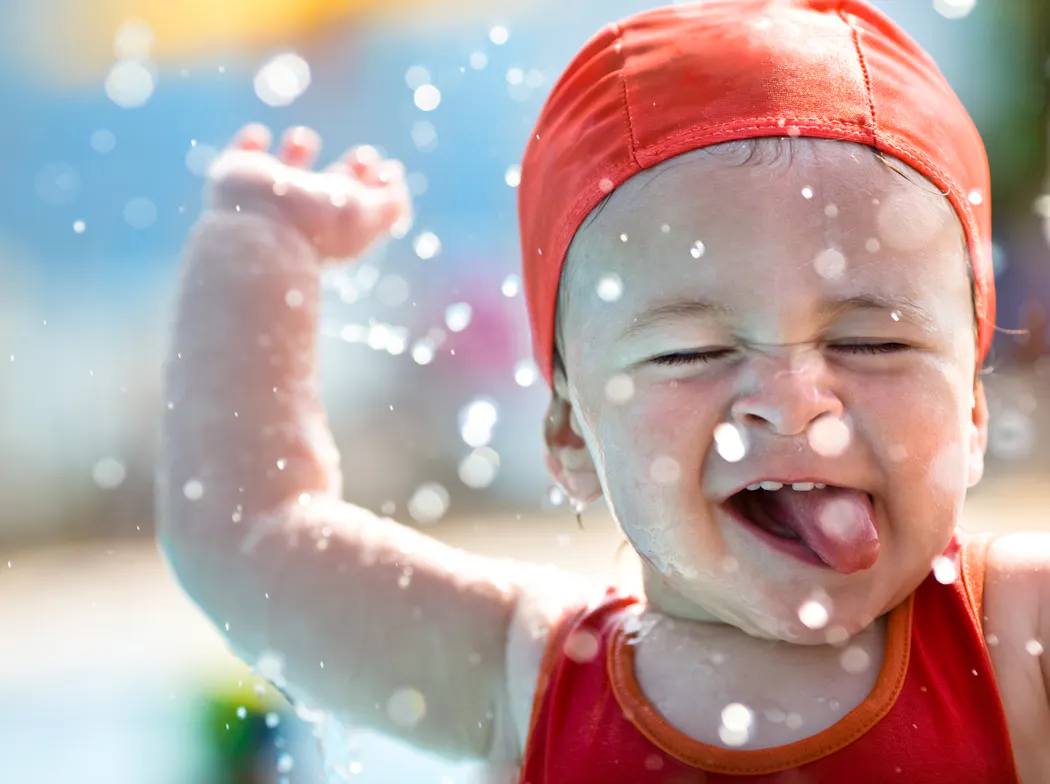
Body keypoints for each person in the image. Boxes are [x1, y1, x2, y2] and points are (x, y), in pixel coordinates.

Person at [157, 1, 1050, 781]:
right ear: (572, 437)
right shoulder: (524, 675)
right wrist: (254, 252)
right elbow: (249, 543)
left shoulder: (1018, 635)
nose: (792, 399)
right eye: (692, 352)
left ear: (971, 412)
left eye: (871, 341)